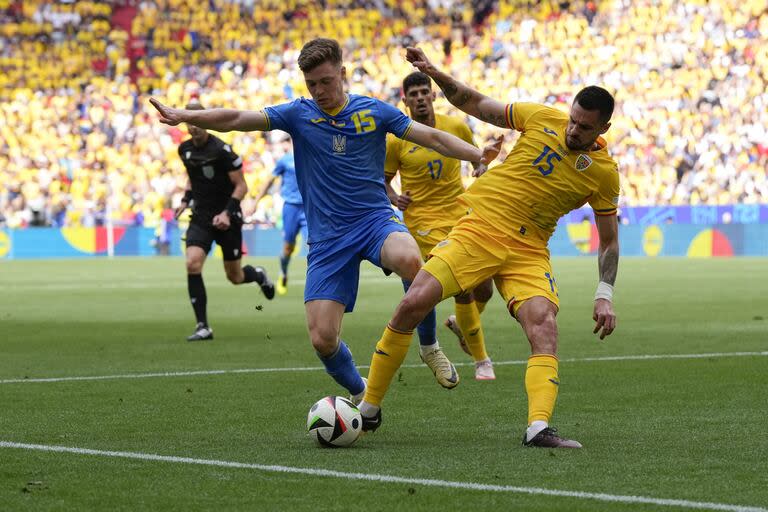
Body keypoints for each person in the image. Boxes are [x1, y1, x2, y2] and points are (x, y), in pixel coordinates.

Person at [150, 39, 499, 401]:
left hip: (374, 221)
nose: (318, 91)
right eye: (311, 84)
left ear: (343, 74)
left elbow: (431, 137)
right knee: (322, 339)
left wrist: (477, 155)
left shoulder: (374, 112)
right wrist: (185, 116)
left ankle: (429, 346)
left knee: (413, 261)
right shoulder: (298, 114)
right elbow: (239, 118)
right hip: (328, 238)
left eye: (326, 81)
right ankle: (364, 395)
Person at [359, 47, 620, 449]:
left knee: (543, 326)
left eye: (584, 128)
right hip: (480, 227)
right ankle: (369, 409)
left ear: (603, 127)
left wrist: (605, 295)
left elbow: (610, 240)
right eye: (572, 120)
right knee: (413, 302)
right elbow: (476, 103)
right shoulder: (540, 117)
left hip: (529, 249)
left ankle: (538, 428)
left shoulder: (604, 174)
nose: (573, 130)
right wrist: (436, 74)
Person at [385, 71, 496, 381]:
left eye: (425, 92)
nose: (420, 97)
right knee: (462, 287)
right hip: (423, 224)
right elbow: (383, 180)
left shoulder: (456, 127)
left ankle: (463, 326)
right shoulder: (396, 140)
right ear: (405, 101)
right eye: (414, 94)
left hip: (460, 215)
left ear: (433, 95)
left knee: (485, 286)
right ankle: (481, 361)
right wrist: (394, 197)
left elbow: (477, 159)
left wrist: (479, 167)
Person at [175, 102, 275, 342]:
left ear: (207, 122)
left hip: (227, 218)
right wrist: (185, 200)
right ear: (186, 124)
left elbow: (242, 186)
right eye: (191, 122)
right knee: (192, 263)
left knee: (235, 276)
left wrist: (226, 213)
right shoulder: (184, 150)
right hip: (200, 217)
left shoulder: (222, 150)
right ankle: (203, 326)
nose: (195, 127)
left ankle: (259, 274)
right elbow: (193, 179)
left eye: (199, 122)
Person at [252, 135, 306, 295]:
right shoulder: (285, 160)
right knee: (288, 248)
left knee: (313, 246)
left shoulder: (312, 157)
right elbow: (270, 180)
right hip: (290, 208)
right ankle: (283, 272)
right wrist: (256, 201)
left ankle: (316, 283)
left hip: (309, 207)